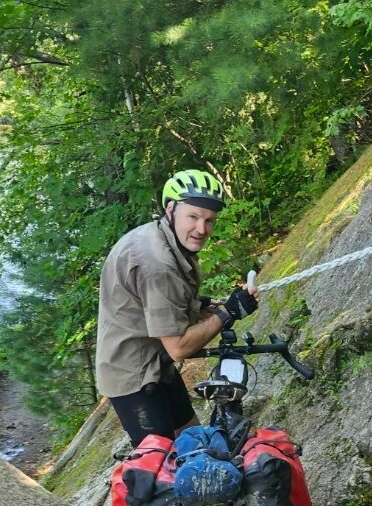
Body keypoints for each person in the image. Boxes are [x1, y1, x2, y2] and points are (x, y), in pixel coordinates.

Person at [95, 169, 259, 444]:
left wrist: (199, 305)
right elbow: (179, 347)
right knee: (162, 462)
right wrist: (227, 312)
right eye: (193, 217)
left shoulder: (162, 236)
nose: (201, 229)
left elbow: (155, 300)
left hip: (158, 363)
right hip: (134, 377)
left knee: (193, 441)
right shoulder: (157, 264)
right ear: (171, 209)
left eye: (209, 220)